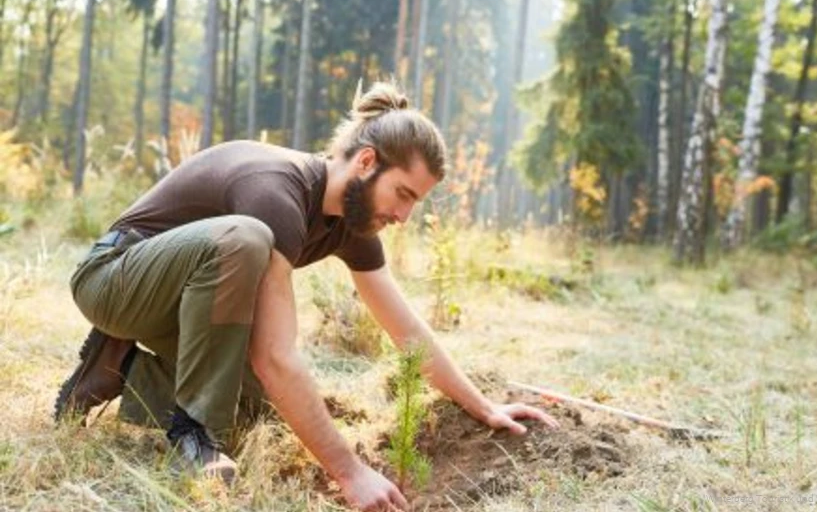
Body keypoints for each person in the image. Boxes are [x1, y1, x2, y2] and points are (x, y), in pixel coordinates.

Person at [55, 82, 557, 511]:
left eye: (415, 203)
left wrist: (484, 407)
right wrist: (350, 473)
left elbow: (405, 328)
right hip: (114, 280)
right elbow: (275, 356)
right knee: (245, 240)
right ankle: (194, 437)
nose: (404, 217)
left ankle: (119, 367)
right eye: (403, 194)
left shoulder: (353, 224)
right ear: (366, 162)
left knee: (262, 410)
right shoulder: (276, 191)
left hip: (181, 304)